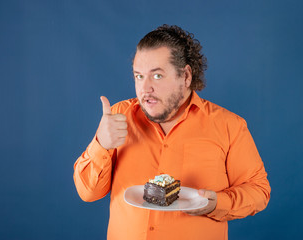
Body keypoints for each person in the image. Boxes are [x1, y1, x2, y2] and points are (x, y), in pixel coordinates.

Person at [73, 24, 271, 240]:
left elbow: (258, 191)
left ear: (185, 76)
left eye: (157, 76)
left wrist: (218, 204)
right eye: (138, 76)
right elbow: (88, 193)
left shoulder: (229, 126)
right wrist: (101, 144)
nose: (144, 88)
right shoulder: (119, 116)